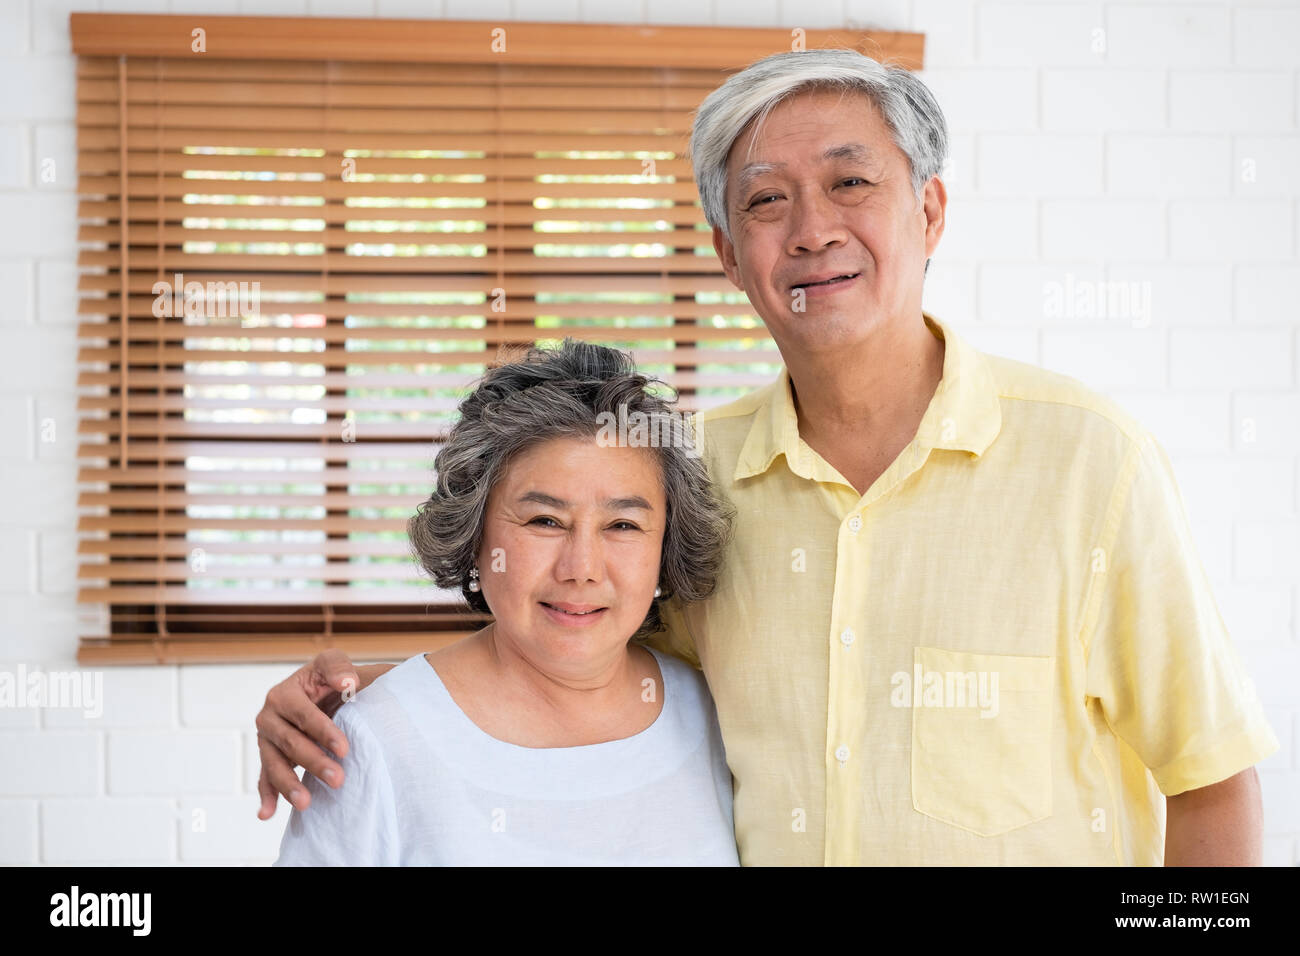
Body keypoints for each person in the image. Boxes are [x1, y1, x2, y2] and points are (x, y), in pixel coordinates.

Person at [258, 49, 1277, 866]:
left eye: (849, 181)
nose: (811, 229)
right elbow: (576, 646)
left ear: (928, 211)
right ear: (724, 251)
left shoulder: (1088, 465)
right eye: (765, 201)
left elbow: (1211, 778)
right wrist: (374, 701)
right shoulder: (686, 476)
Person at [274, 339, 738, 865]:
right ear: (475, 532)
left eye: (623, 525)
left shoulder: (714, 711)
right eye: (544, 521)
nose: (581, 569)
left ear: (666, 544)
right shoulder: (376, 737)